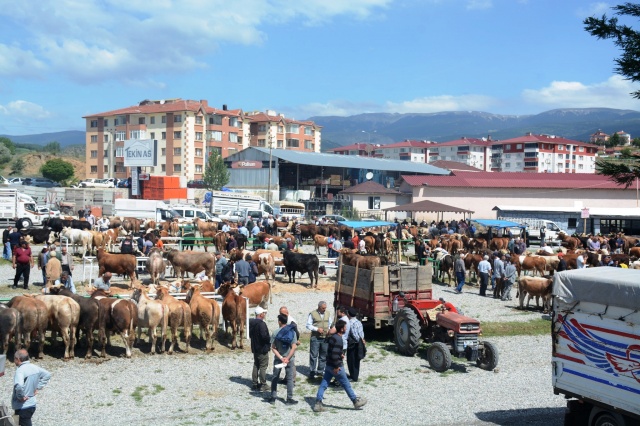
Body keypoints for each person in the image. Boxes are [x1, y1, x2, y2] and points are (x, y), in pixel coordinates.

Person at [313, 320, 367, 412]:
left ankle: (318, 403)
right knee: (346, 384)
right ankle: (355, 401)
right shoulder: (339, 340)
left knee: (324, 384)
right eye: (345, 327)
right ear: (342, 329)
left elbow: (331, 352)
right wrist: (337, 366)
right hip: (336, 366)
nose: (346, 328)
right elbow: (334, 355)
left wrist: (340, 354)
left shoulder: (333, 337)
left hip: (329, 365)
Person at [12, 348, 51, 426]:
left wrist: (20, 397)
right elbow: (47, 374)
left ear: (18, 359)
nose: (14, 361)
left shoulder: (20, 370)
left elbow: (19, 386)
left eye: (14, 359)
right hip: (32, 404)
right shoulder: (34, 367)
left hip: (23, 406)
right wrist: (38, 387)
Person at [267, 313, 298, 405]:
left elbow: (273, 348)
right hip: (290, 359)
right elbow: (294, 347)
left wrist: (281, 357)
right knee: (289, 379)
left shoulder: (275, 332)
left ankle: (273, 397)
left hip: (278, 358)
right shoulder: (292, 332)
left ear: (279, 322)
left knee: (275, 377)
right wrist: (287, 358)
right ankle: (289, 399)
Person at [307, 301, 333, 379]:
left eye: (325, 308)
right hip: (315, 337)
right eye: (323, 308)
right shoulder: (312, 314)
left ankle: (320, 371)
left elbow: (330, 323)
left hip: (325, 338)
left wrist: (329, 330)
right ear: (319, 307)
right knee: (314, 355)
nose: (324, 309)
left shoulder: (328, 313)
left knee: (323, 355)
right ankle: (312, 371)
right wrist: (316, 329)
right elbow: (308, 325)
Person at [249, 306, 270, 392]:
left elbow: (250, 335)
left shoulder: (251, 323)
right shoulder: (262, 324)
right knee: (263, 366)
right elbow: (264, 336)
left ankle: (254, 383)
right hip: (262, 348)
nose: (264, 314)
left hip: (255, 347)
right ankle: (263, 384)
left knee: (256, 365)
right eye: (264, 313)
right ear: (261, 314)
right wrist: (270, 339)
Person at [346, 307, 365, 382]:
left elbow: (354, 334)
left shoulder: (350, 323)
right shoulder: (358, 322)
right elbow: (361, 333)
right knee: (357, 360)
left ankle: (353, 376)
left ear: (348, 314)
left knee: (351, 360)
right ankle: (355, 375)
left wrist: (358, 340)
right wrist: (362, 340)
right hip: (359, 342)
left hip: (353, 344)